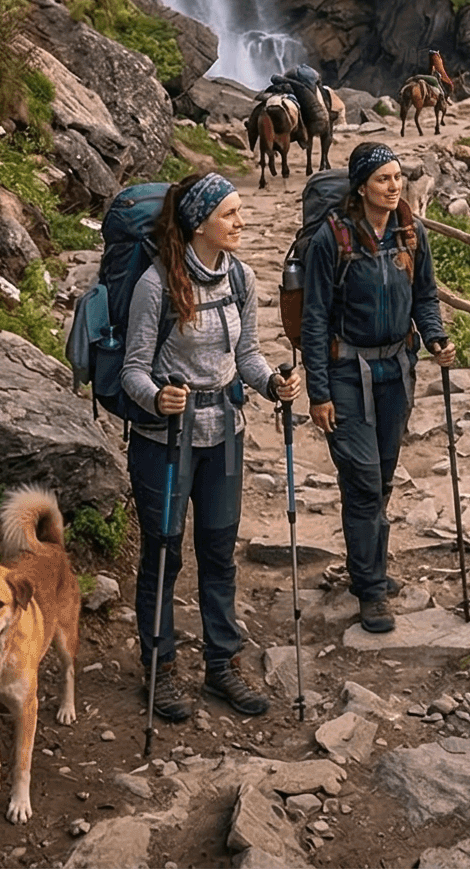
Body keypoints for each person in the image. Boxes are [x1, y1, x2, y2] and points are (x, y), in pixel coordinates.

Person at [123, 172, 302, 719]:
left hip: (225, 433)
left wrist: (271, 381)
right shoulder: (157, 284)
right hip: (166, 439)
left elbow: (245, 355)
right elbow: (133, 369)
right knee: (164, 551)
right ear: (200, 223)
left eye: (241, 211)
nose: (241, 222)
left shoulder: (240, 278)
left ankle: (222, 664)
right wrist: (157, 399)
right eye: (230, 214)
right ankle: (160, 667)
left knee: (220, 552)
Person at [301, 143, 453, 635]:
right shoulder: (333, 239)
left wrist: (435, 337)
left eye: (397, 177)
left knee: (382, 478)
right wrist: (318, 392)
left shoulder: (412, 234)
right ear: (361, 186)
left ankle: (369, 565)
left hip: (395, 371)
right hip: (347, 373)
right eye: (384, 178)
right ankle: (370, 589)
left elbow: (424, 295)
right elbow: (316, 318)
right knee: (364, 477)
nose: (394, 186)